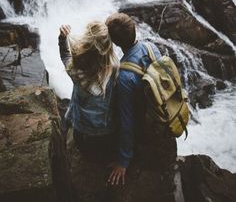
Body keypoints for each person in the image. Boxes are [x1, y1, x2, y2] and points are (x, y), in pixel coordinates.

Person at [106, 12, 176, 186]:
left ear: (114, 42)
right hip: (164, 112)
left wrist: (123, 161)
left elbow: (126, 121)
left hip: (146, 127)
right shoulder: (151, 47)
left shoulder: (124, 76)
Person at [58, 22, 119, 163]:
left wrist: (62, 39)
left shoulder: (76, 72)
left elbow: (65, 56)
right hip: (107, 137)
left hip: (82, 137)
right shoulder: (115, 72)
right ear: (108, 48)